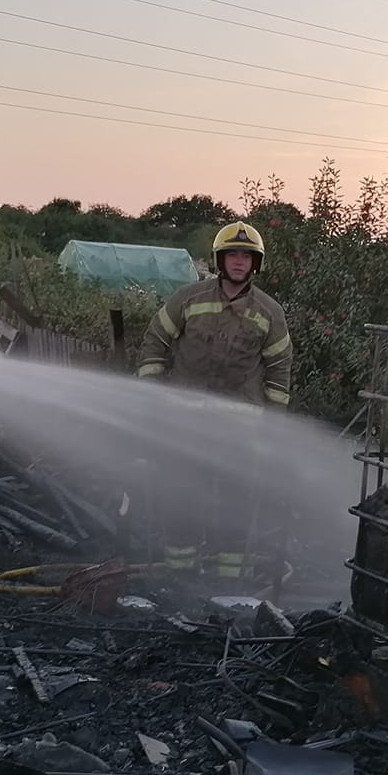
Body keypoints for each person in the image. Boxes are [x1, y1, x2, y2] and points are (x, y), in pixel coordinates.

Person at [135, 220, 294, 577]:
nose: (239, 261)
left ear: (256, 264)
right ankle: (180, 578)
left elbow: (279, 369)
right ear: (219, 260)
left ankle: (230, 586)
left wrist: (274, 427)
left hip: (241, 433)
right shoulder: (188, 299)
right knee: (181, 500)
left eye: (246, 256)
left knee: (235, 504)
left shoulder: (270, 312)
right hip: (184, 426)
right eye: (232, 254)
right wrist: (151, 395)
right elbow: (155, 342)